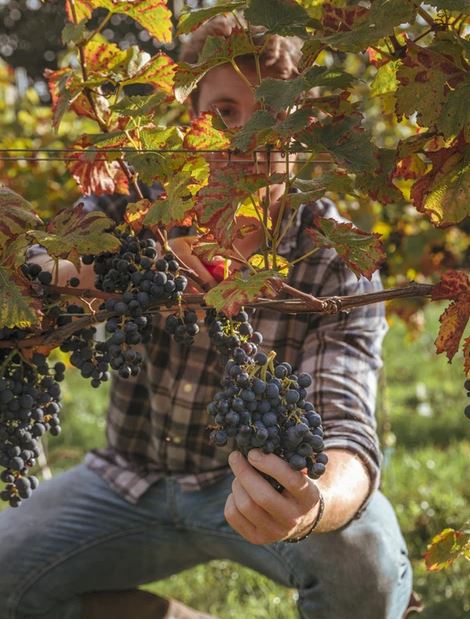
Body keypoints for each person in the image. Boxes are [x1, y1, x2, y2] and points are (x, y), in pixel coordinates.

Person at [0, 15, 418, 619]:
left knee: (366, 566)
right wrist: (106, 268)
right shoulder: (137, 206)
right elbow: (36, 271)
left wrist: (316, 503)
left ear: (297, 131)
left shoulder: (335, 258)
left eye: (268, 114)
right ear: (191, 120)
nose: (243, 138)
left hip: (259, 490)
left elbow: (347, 428)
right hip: (130, 482)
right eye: (223, 112)